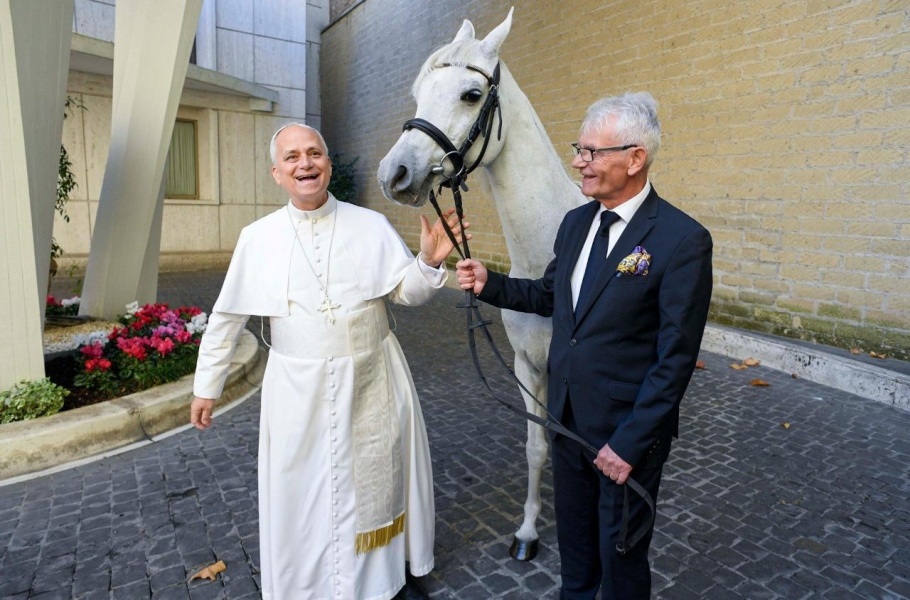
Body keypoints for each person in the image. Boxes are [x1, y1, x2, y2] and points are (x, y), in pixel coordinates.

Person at [190, 123, 468, 600]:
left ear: (328, 164)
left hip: (373, 376)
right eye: (292, 157)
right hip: (297, 390)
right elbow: (227, 317)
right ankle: (308, 586)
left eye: (314, 153)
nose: (306, 163)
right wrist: (206, 387)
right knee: (303, 491)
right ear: (277, 173)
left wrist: (427, 263)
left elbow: (406, 293)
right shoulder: (258, 238)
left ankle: (383, 582)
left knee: (377, 484)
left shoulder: (369, 225)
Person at [456, 93, 713, 599]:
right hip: (566, 422)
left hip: (623, 439)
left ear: (635, 158)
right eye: (580, 149)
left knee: (621, 566)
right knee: (575, 561)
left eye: (593, 152)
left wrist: (630, 445)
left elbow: (675, 360)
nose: (579, 161)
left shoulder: (682, 240)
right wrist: (491, 283)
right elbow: (551, 295)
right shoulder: (576, 223)